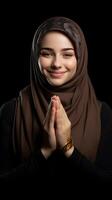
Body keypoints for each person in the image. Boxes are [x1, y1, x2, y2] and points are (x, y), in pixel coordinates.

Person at [0, 16, 112, 189]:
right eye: (46, 53)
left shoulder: (102, 113)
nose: (56, 64)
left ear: (80, 59)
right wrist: (45, 151)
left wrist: (68, 149)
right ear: (35, 56)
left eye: (67, 54)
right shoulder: (12, 110)